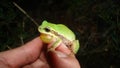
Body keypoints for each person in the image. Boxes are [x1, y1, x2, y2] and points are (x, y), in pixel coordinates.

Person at [0, 37, 80, 68]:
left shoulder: (55, 37)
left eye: (47, 30)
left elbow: (58, 40)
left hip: (70, 41)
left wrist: (52, 47)